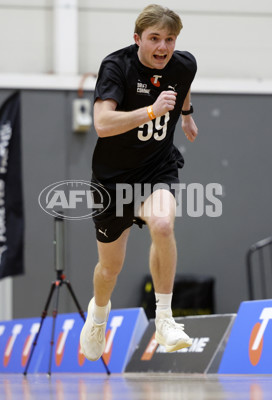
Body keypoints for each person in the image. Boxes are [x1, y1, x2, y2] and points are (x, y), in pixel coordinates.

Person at [79, 4, 199, 361]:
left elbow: (184, 84)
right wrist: (151, 111)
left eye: (170, 39)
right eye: (154, 39)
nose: (162, 47)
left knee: (163, 224)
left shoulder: (184, 63)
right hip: (112, 180)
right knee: (109, 268)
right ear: (138, 39)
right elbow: (102, 123)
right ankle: (99, 314)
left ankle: (164, 318)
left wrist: (187, 115)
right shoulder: (117, 66)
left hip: (156, 169)